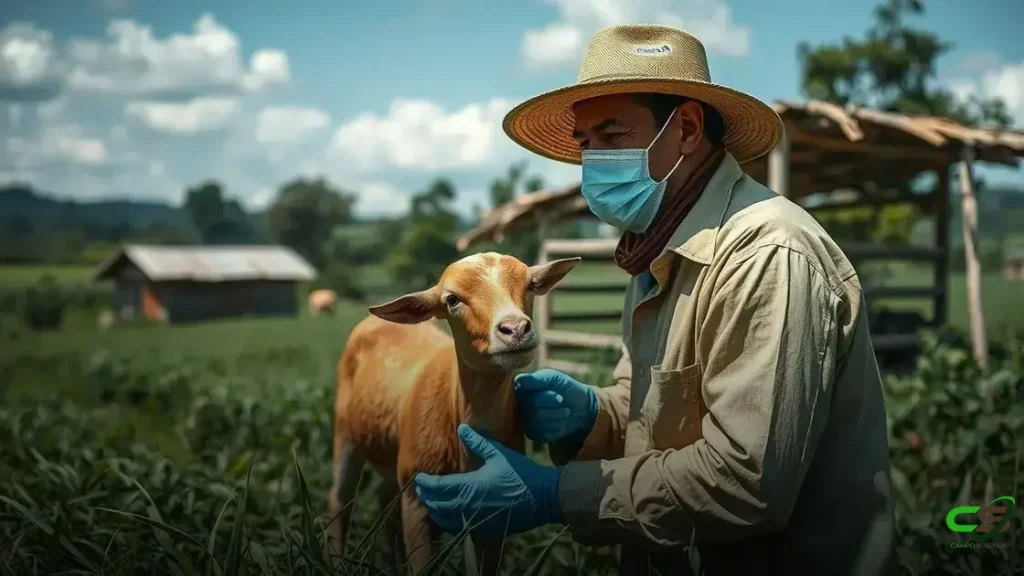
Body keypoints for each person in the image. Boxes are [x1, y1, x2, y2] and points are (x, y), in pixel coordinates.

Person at [413, 24, 896, 575]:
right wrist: (594, 416)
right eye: (586, 143)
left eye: (612, 136)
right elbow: (653, 412)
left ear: (687, 128)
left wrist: (557, 493)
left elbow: (746, 481)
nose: (593, 162)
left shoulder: (767, 256)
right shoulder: (658, 254)